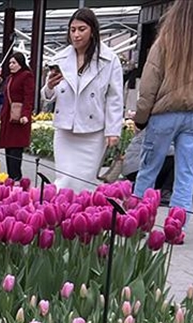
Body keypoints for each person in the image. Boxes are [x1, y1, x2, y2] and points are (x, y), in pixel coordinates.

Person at [130, 0, 193, 217]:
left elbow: (148, 85)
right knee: (186, 174)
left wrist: (141, 117)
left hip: (164, 113)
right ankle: (177, 227)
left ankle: (137, 219)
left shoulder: (165, 41)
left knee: (148, 170)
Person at [41, 8, 125, 192]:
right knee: (64, 180)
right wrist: (49, 87)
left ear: (92, 30)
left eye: (82, 29)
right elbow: (48, 96)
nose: (76, 35)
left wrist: (113, 131)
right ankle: (63, 217)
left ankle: (82, 218)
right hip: (65, 130)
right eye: (72, 30)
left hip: (93, 132)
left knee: (84, 183)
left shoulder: (109, 60)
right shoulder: (60, 58)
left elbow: (115, 97)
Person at [0, 52, 34, 181]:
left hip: (19, 118)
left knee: (15, 148)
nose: (11, 65)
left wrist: (25, 114)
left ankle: (16, 177)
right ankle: (10, 176)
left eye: (14, 63)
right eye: (10, 63)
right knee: (9, 148)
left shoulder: (26, 76)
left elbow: (28, 97)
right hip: (9, 116)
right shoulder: (10, 78)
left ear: (21, 63)